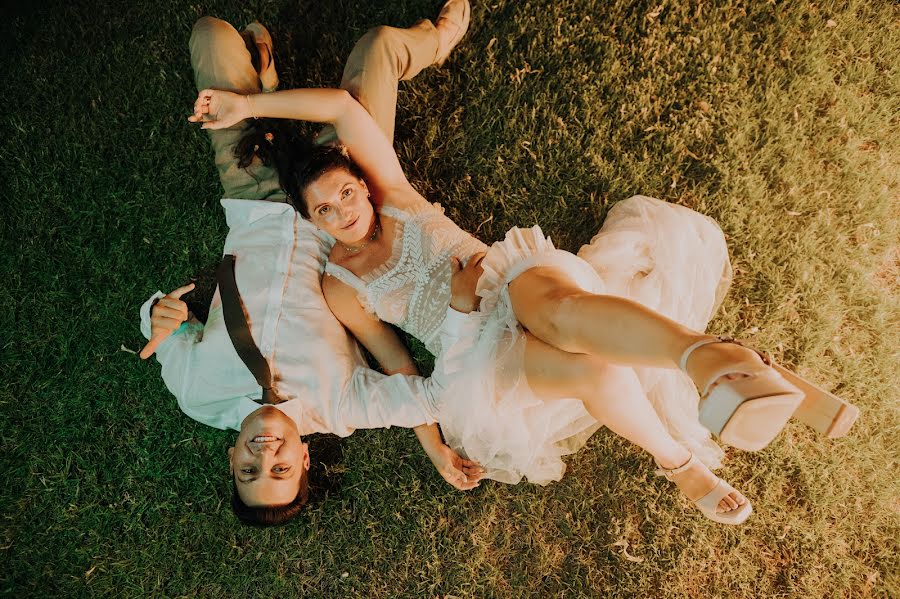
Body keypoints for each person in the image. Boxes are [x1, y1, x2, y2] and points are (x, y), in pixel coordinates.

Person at [188, 9, 856, 526]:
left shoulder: (392, 193)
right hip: (471, 348)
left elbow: (340, 110)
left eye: (346, 194)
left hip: (508, 281)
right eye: (326, 211)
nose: (343, 211)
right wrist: (434, 444)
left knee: (559, 310)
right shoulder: (338, 282)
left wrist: (247, 107)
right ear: (310, 222)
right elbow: (395, 360)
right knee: (592, 367)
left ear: (362, 180)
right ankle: (679, 464)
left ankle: (709, 358)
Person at [140, 2, 481, 526]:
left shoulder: (196, 395)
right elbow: (430, 394)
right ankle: (435, 41)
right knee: (379, 47)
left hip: (250, 192)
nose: (264, 456)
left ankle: (266, 97)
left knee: (210, 34)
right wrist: (437, 450)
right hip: (333, 196)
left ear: (231, 462)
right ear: (304, 459)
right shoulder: (341, 407)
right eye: (281, 470)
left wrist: (160, 313)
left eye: (248, 471)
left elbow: (161, 330)